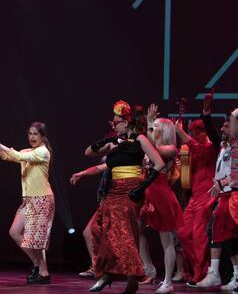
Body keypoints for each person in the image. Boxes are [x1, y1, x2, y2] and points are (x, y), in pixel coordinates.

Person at [89, 101, 164, 293]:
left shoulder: (140, 139)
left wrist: (142, 187)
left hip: (131, 190)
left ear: (126, 122)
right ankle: (107, 272)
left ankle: (132, 278)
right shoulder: (115, 143)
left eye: (116, 122)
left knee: (123, 233)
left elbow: (158, 163)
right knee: (101, 229)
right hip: (113, 191)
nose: (113, 125)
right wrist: (107, 141)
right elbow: (88, 152)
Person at [0, 122, 55, 284]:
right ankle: (37, 265)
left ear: (42, 136)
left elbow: (19, 156)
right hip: (28, 200)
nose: (32, 137)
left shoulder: (42, 152)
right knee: (15, 232)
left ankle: (44, 272)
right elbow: (7, 156)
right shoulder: (29, 151)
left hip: (41, 199)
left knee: (35, 241)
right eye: (30, 134)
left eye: (35, 134)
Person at [192, 97, 238, 290]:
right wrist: (206, 114)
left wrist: (222, 182)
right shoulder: (224, 146)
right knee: (219, 232)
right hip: (225, 194)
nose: (223, 129)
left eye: (227, 126)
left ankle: (219, 274)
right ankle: (223, 274)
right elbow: (211, 129)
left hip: (233, 194)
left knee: (224, 233)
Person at [137, 104, 184, 293]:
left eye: (156, 126)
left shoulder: (170, 148)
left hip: (161, 195)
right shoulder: (154, 145)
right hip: (148, 194)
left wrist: (148, 123)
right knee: (136, 230)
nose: (152, 129)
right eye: (152, 126)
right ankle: (148, 269)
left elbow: (153, 150)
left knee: (167, 240)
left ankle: (168, 281)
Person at [175, 117, 219, 286]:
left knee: (200, 236)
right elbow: (187, 176)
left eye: (194, 133)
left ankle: (200, 273)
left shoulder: (212, 148)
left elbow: (200, 150)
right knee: (183, 233)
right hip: (194, 197)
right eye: (191, 133)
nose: (192, 136)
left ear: (203, 133)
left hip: (207, 196)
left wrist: (182, 133)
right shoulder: (194, 150)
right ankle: (201, 267)